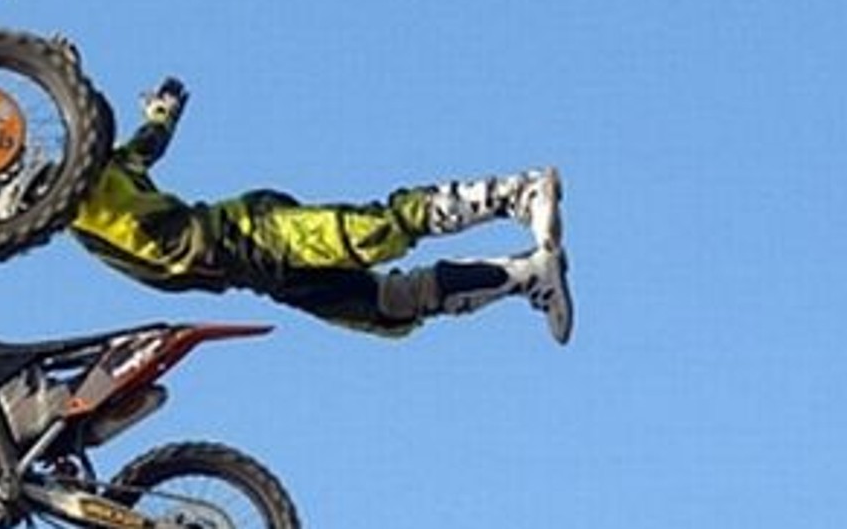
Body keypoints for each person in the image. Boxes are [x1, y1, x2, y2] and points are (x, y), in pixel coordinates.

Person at [70, 79, 575, 344]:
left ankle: (518, 192)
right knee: (390, 309)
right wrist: (161, 113)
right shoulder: (75, 196)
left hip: (249, 231)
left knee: (374, 232)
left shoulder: (90, 172)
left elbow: (134, 139)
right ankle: (527, 276)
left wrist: (65, 78)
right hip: (256, 276)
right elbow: (148, 142)